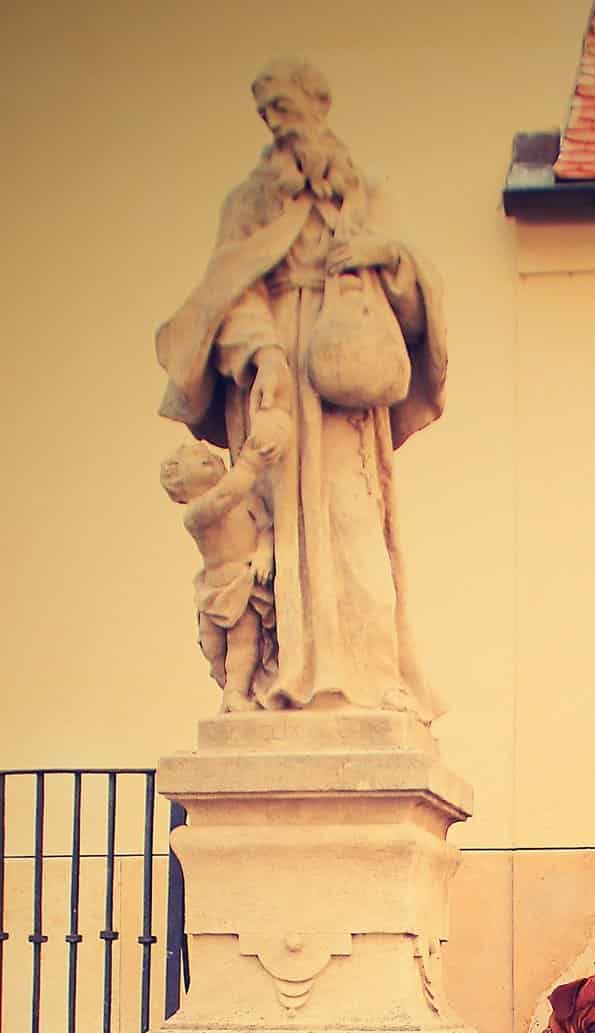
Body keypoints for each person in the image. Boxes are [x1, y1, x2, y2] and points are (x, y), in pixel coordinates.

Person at [156, 58, 447, 721]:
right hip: (274, 386)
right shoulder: (247, 204)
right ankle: (280, 677)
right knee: (275, 532)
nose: (275, 124)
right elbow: (227, 294)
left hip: (343, 382)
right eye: (266, 114)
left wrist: (383, 258)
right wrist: (262, 354)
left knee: (352, 523)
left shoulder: (365, 197)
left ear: (317, 107)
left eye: (284, 108)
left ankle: (372, 679)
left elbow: (413, 304)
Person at [160, 411, 291, 712]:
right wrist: (251, 461)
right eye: (201, 460)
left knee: (244, 641)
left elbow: (267, 528)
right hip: (212, 590)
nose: (210, 457)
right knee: (212, 646)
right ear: (182, 489)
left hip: (243, 585)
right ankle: (228, 688)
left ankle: (236, 691)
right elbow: (224, 497)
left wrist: (263, 553)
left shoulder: (248, 500)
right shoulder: (196, 515)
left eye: (211, 457)